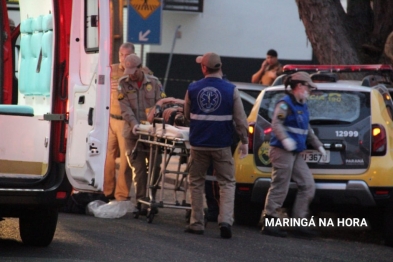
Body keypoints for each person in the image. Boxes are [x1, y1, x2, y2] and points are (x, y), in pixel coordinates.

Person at [184, 52, 249, 239]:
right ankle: (226, 221)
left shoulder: (193, 88)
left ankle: (196, 223)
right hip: (222, 146)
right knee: (227, 183)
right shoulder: (231, 90)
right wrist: (244, 141)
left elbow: (187, 115)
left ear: (204, 68)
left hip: (198, 146)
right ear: (220, 67)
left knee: (196, 182)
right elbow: (241, 120)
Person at [260, 71, 326, 238]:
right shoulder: (285, 103)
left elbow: (307, 129)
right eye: (308, 87)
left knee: (308, 185)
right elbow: (276, 123)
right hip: (282, 151)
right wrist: (286, 139)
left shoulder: (302, 104)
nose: (309, 91)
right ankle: (270, 221)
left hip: (295, 153)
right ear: (299, 86)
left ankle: (299, 222)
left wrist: (319, 146)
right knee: (280, 185)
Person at [118, 54, 164, 215]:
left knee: (155, 166)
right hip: (133, 132)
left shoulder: (154, 82)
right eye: (128, 70)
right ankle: (141, 203)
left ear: (140, 67)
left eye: (133, 70)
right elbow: (124, 107)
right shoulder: (123, 84)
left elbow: (161, 103)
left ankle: (151, 198)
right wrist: (134, 124)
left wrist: (155, 116)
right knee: (138, 168)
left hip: (152, 133)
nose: (131, 74)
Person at [103, 42, 135, 202]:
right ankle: (107, 191)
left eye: (127, 55)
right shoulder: (111, 70)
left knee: (125, 160)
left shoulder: (140, 72)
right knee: (107, 157)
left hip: (125, 122)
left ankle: (122, 195)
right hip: (110, 119)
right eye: (121, 55)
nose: (123, 59)